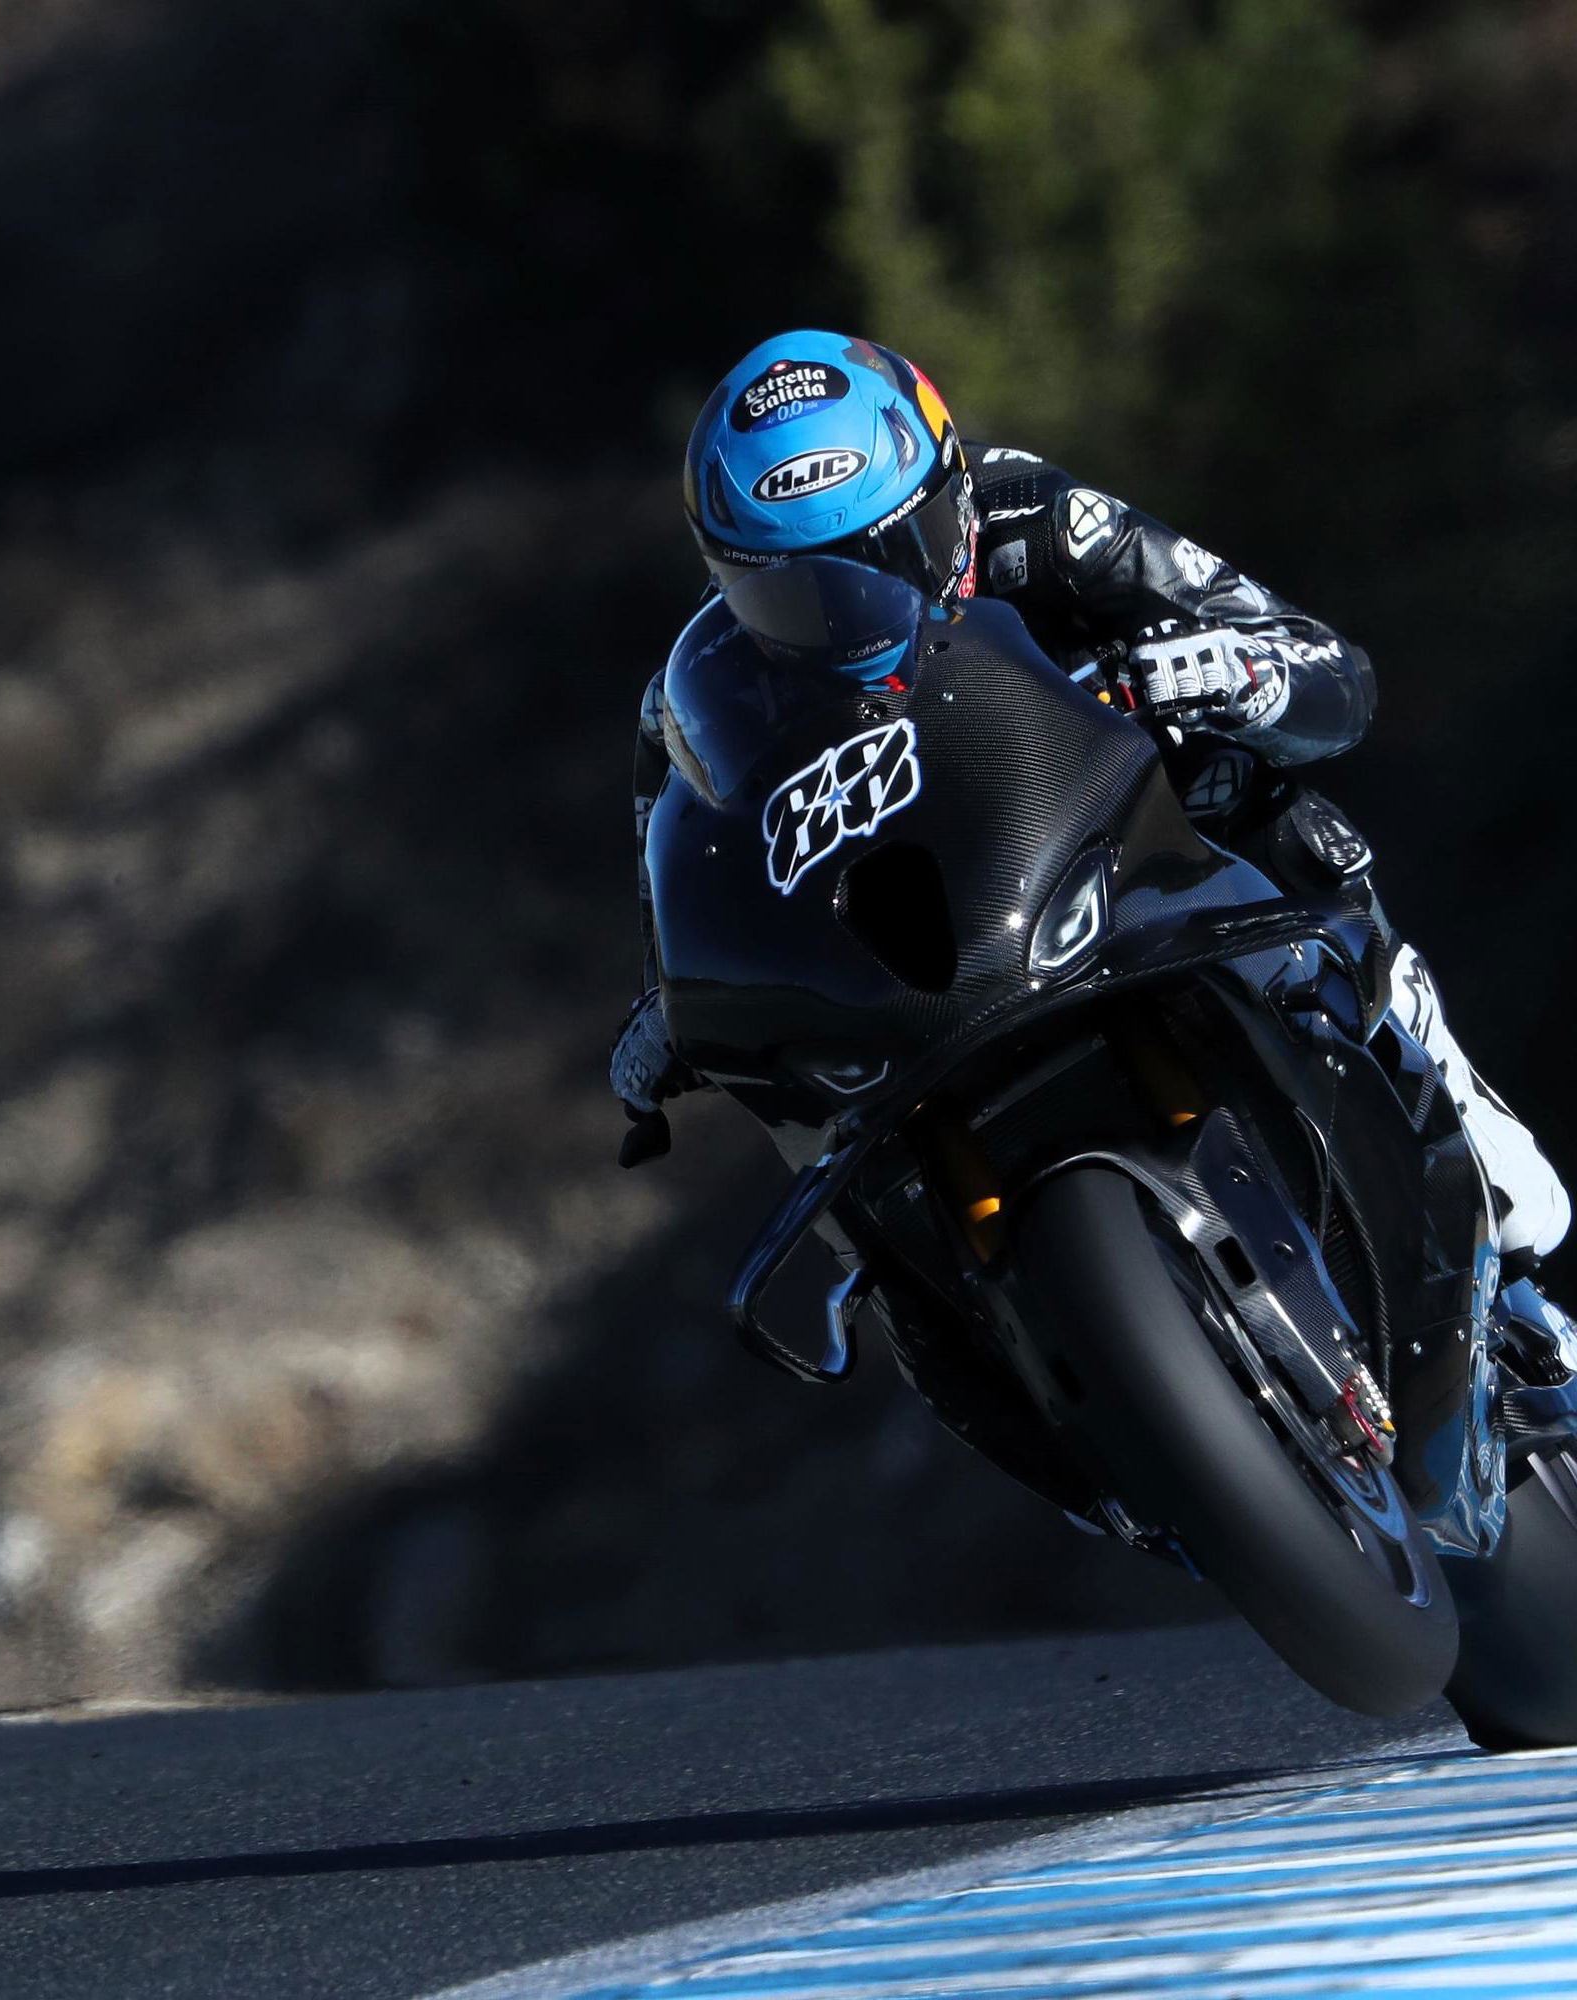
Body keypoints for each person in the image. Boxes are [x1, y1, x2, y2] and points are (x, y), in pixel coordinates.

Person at [610, 328, 1571, 1368]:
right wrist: (666, 1009)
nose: (854, 614)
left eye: (893, 553)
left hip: (1133, 858)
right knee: (809, 1127)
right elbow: (683, 893)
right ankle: (952, 1334)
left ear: (950, 488)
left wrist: (1235, 674)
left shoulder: (1034, 518)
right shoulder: (694, 701)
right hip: (914, 976)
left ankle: (1441, 1114)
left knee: (1264, 811)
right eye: (796, 594)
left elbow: (1324, 665)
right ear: (729, 580)